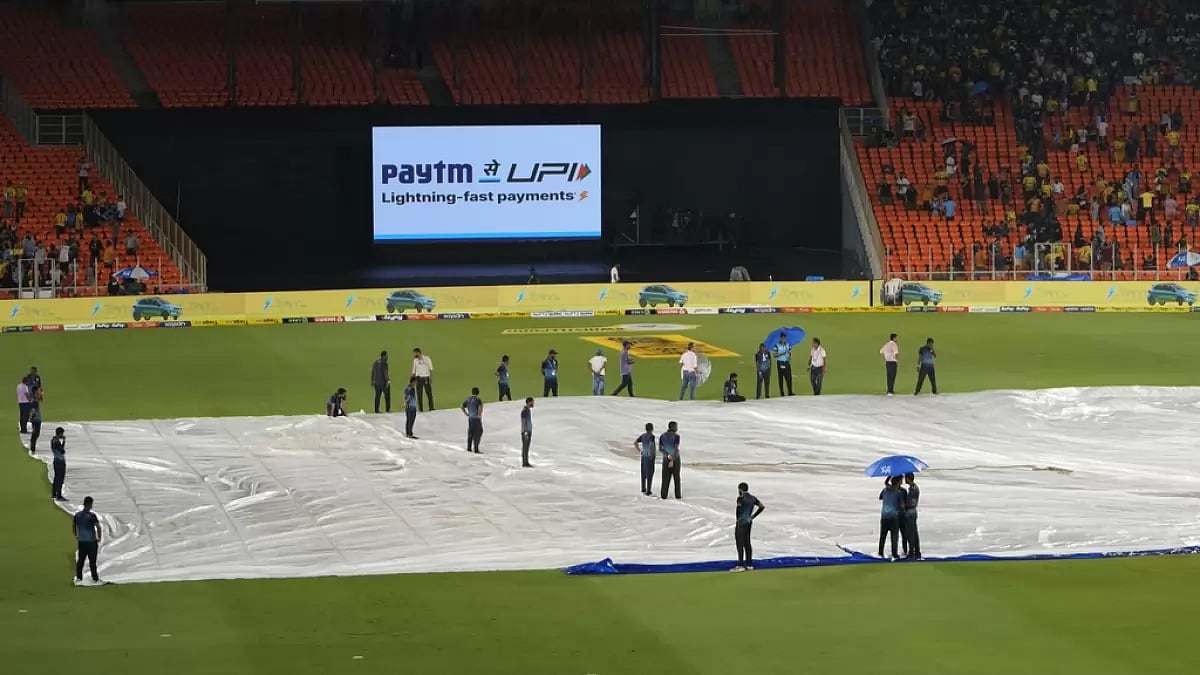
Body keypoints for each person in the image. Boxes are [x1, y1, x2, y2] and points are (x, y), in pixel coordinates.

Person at [732, 482, 765, 572]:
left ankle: (740, 565)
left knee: (740, 543)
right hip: (749, 521)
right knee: (747, 542)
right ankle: (749, 564)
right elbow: (762, 506)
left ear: (740, 489)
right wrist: (753, 516)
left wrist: (738, 519)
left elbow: (738, 509)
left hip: (741, 522)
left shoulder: (740, 498)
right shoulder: (753, 498)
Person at [72, 495, 102, 586]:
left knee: (81, 560)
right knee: (92, 562)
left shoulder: (77, 515)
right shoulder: (92, 516)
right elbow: (98, 527)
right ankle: (95, 579)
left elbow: (73, 526)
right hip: (91, 542)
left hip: (82, 541)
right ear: (90, 504)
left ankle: (79, 578)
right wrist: (99, 537)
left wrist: (76, 535)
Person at [878, 476, 904, 559]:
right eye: (901, 481)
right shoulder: (898, 493)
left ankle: (880, 552)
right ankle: (894, 553)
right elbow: (902, 505)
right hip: (893, 517)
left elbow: (880, 497)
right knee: (894, 536)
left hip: (884, 516)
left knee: (883, 536)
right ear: (898, 482)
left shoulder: (884, 490)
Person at [659, 421, 681, 500]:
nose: (677, 428)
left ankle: (663, 496)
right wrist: (672, 460)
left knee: (665, 479)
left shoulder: (662, 436)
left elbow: (660, 449)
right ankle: (678, 496)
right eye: (676, 426)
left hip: (666, 459)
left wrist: (668, 456)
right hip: (675, 459)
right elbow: (675, 449)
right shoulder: (676, 436)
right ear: (673, 427)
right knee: (676, 478)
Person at [634, 423, 656, 496]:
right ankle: (648, 490)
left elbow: (635, 442)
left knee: (643, 472)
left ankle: (643, 488)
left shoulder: (643, 436)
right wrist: (651, 454)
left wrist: (640, 451)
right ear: (652, 429)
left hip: (643, 455)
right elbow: (651, 445)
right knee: (650, 473)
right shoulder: (652, 436)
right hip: (649, 457)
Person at [904, 473, 922, 559]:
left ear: (908, 479)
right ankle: (916, 551)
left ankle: (912, 551)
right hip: (912, 512)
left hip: (910, 512)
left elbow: (912, 502)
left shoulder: (913, 489)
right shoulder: (913, 488)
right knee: (914, 532)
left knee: (910, 533)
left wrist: (904, 504)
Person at [460, 387, 483, 453]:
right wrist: (479, 415)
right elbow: (480, 407)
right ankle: (476, 449)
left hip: (470, 418)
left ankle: (469, 447)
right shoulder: (478, 399)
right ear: (478, 392)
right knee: (478, 432)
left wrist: (466, 413)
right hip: (476, 419)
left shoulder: (468, 399)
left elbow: (462, 406)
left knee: (471, 432)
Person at [50, 426, 67, 501]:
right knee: (60, 478)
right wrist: (64, 442)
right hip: (60, 461)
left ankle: (54, 494)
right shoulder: (56, 442)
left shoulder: (53, 440)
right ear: (60, 433)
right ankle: (59, 495)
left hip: (56, 460)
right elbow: (62, 451)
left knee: (56, 478)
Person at [519, 397, 534, 467]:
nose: (533, 403)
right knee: (525, 448)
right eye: (532, 402)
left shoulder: (527, 410)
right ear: (529, 402)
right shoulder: (525, 411)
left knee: (526, 448)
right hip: (526, 432)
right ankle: (525, 463)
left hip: (528, 431)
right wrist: (524, 432)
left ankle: (526, 462)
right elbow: (523, 422)